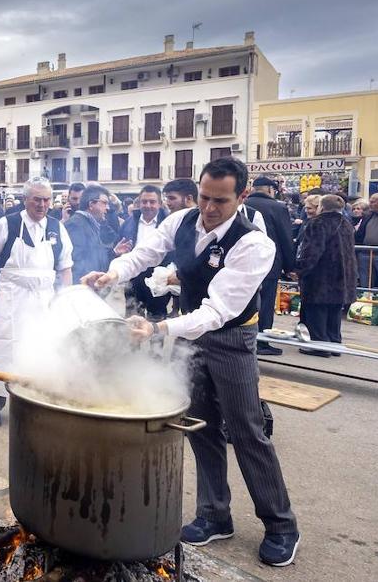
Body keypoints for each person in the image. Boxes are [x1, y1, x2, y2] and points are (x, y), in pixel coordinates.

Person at [83, 158, 299, 567]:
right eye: (204, 197)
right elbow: (145, 253)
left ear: (242, 197)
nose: (209, 208)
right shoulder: (182, 220)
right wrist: (112, 273)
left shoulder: (255, 244)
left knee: (247, 429)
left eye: (220, 200)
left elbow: (217, 311)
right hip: (187, 333)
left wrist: (161, 329)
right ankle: (215, 514)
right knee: (199, 426)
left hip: (231, 337)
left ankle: (281, 525)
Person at [0, 177, 73, 426]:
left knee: (40, 348)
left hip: (43, 298)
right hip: (11, 295)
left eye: (46, 200)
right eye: (37, 199)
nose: (42, 204)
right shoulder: (7, 223)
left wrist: (65, 299)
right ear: (25, 200)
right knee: (3, 346)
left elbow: (65, 267)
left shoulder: (57, 228)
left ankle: (32, 402)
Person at [294, 195, 356, 356]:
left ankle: (320, 346)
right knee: (334, 311)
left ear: (322, 206)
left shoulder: (318, 223)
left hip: (321, 274)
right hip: (342, 274)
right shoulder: (347, 223)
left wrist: (299, 269)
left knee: (317, 311)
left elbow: (312, 251)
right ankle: (334, 344)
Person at [244, 177, 298, 357]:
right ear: (269, 189)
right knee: (265, 304)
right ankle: (261, 342)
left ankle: (244, 338)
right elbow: (285, 237)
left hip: (244, 262)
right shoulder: (278, 207)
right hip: (269, 263)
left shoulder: (243, 204)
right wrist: (290, 266)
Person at [119, 185, 170, 320]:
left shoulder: (168, 223)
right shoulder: (128, 223)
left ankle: (156, 341)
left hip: (158, 279)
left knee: (157, 320)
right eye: (144, 201)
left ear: (160, 204)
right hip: (133, 278)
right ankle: (133, 342)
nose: (148, 205)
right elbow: (119, 245)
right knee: (132, 319)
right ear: (139, 203)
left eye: (152, 202)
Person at [64, 184, 123, 283]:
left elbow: (95, 258)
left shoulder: (90, 224)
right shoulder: (76, 225)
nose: (107, 208)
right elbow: (75, 265)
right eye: (104, 203)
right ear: (91, 204)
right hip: (81, 290)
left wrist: (114, 252)